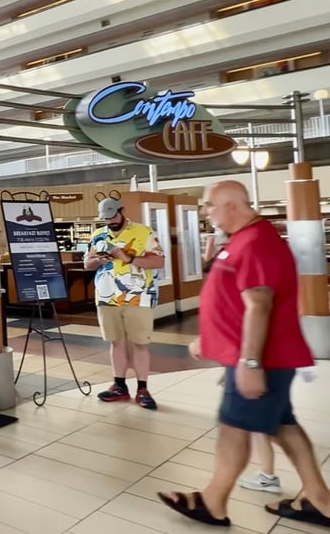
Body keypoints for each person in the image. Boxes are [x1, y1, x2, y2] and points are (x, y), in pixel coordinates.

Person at [159, 181, 329, 528]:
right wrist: (210, 337)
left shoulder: (255, 243)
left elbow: (258, 305)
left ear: (231, 205)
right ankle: (320, 499)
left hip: (261, 358)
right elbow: (233, 301)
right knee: (283, 426)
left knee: (234, 427)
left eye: (209, 204)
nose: (205, 211)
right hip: (258, 356)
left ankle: (213, 501)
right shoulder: (243, 239)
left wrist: (250, 363)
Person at [83, 197, 166, 409]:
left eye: (113, 216)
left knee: (140, 343)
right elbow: (87, 264)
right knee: (116, 341)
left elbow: (159, 261)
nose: (110, 221)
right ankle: (119, 386)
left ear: (122, 211)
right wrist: (98, 260)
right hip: (107, 297)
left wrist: (128, 258)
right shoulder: (98, 235)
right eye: (106, 218)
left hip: (139, 296)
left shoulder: (144, 232)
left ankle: (142, 389)